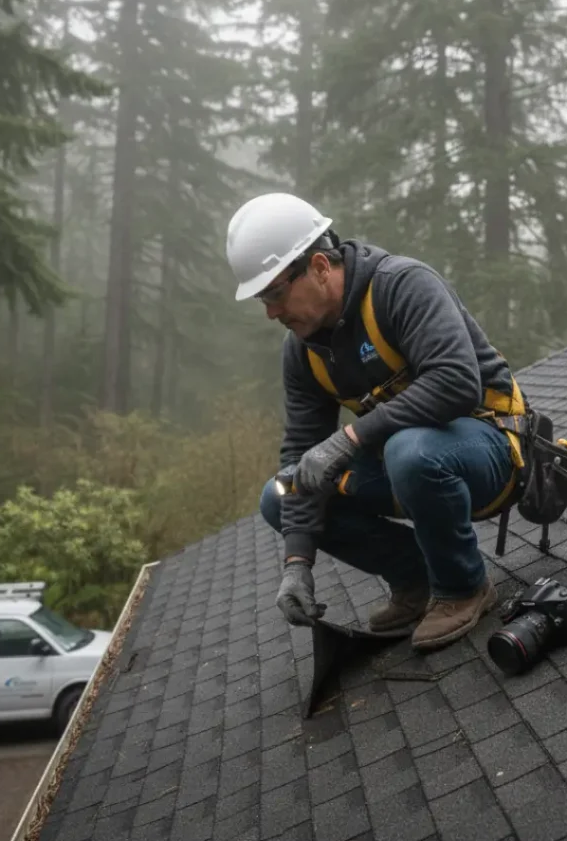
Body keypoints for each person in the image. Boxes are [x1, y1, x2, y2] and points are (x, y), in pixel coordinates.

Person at [226, 192, 527, 652]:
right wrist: (296, 563)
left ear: (321, 267)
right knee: (280, 493)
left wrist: (350, 437)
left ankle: (464, 586)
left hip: (490, 448)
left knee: (408, 452)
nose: (270, 312)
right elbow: (299, 459)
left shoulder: (401, 285)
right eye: (261, 299)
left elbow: (456, 383)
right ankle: (418, 580)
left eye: (274, 293)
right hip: (413, 463)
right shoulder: (303, 351)